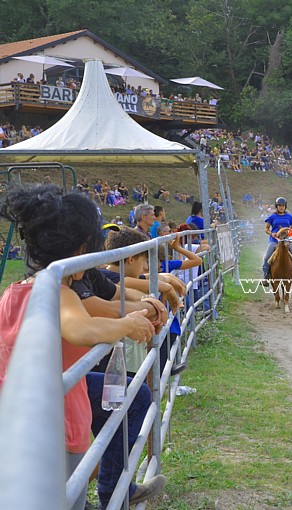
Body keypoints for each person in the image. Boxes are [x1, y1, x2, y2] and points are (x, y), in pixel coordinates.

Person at [0, 185, 165, 510]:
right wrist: (126, 325)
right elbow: (80, 328)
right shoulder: (61, 294)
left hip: (17, 412)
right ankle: (105, 493)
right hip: (56, 421)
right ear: (79, 252)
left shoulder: (12, 293)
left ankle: (112, 488)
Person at [262, 197, 292, 281]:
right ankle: (265, 275)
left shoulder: (289, 216)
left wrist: (289, 233)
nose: (281, 207)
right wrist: (271, 233)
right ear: (276, 206)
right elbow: (266, 229)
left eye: (283, 205)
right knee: (267, 257)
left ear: (285, 206)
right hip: (275, 241)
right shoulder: (272, 216)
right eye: (279, 205)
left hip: (287, 240)